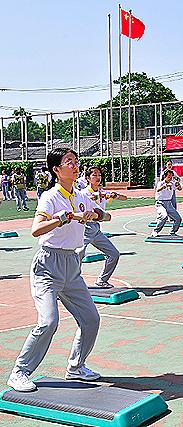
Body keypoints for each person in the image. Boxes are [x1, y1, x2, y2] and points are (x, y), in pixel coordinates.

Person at [7, 148, 102, 392]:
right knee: (49, 322)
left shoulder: (80, 194)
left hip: (72, 265)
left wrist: (95, 213)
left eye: (76, 161)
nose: (75, 165)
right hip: (48, 266)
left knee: (91, 319)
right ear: (57, 170)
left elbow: (105, 215)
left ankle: (76, 367)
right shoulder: (50, 197)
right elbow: (36, 230)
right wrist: (61, 219)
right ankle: (19, 372)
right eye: (69, 162)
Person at [78, 166, 127, 288]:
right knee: (77, 255)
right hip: (84, 228)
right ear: (88, 178)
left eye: (99, 175)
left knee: (114, 254)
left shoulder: (103, 193)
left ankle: (102, 280)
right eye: (94, 175)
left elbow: (124, 198)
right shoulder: (83, 193)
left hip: (96, 229)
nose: (98, 177)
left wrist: (115, 195)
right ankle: (71, 283)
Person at [151, 169, 182, 237]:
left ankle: (173, 232)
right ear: (165, 176)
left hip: (169, 203)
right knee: (164, 216)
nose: (170, 178)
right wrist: (163, 187)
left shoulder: (172, 183)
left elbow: (179, 189)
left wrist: (178, 185)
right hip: (160, 203)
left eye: (171, 177)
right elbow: (158, 190)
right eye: (168, 177)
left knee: (178, 218)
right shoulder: (161, 183)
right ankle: (155, 231)